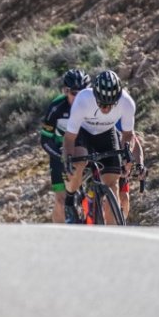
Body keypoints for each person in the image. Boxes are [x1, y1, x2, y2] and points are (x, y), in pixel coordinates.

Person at [63, 70, 137, 226]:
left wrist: (127, 154)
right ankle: (70, 199)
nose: (105, 108)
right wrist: (68, 158)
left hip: (106, 134)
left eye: (110, 104)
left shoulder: (127, 103)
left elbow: (128, 135)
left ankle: (113, 234)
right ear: (94, 95)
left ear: (118, 98)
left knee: (113, 184)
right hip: (83, 133)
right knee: (78, 164)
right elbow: (69, 137)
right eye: (101, 103)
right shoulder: (83, 99)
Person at [40, 69, 91, 224]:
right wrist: (59, 156)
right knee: (61, 200)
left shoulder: (93, 105)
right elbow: (45, 140)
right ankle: (60, 233)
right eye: (75, 93)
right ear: (65, 91)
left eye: (83, 93)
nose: (79, 98)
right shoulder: (57, 107)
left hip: (84, 147)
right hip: (60, 150)